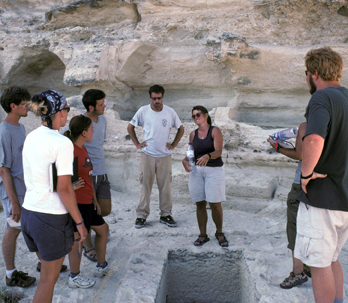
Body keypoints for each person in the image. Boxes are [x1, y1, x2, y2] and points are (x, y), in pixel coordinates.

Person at [21, 90, 87, 302]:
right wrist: (80, 222)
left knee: (47, 276)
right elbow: (64, 188)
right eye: (66, 109)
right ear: (59, 112)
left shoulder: (31, 136)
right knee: (48, 280)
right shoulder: (62, 142)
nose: (67, 113)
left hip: (29, 213)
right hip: (50, 218)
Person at [294, 47, 348, 303]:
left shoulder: (321, 98)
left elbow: (314, 140)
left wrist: (306, 174)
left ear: (314, 73)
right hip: (344, 198)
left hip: (323, 199)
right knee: (332, 258)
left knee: (319, 264)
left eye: (306, 73)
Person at [62, 89, 111, 262]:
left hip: (101, 171)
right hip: (84, 172)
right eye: (101, 104)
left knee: (104, 208)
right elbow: (65, 140)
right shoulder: (81, 123)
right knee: (86, 210)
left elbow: (100, 143)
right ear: (91, 107)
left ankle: (95, 232)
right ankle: (88, 244)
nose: (104, 106)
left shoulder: (103, 120)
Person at [127, 85, 184, 229]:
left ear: (163, 97)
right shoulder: (143, 111)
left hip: (164, 155)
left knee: (165, 186)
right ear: (150, 97)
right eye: (154, 98)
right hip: (147, 154)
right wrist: (137, 143)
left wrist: (174, 144)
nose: (157, 101)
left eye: (159, 98)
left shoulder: (170, 112)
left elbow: (181, 128)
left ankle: (166, 214)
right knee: (144, 185)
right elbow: (130, 127)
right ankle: (141, 216)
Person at [64, 115, 110, 288]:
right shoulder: (71, 151)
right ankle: (74, 277)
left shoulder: (82, 149)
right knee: (78, 239)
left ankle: (101, 266)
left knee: (103, 230)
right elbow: (60, 179)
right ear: (83, 132)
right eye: (91, 129)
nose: (93, 131)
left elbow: (88, 178)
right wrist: (71, 186)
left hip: (89, 202)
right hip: (78, 204)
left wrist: (95, 200)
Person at [0, 86, 36, 288]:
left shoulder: (20, 128)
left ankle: (43, 262)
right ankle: (10, 274)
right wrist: (13, 202)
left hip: (24, 187)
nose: (28, 107)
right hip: (11, 190)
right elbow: (3, 169)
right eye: (24, 104)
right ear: (13, 106)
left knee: (29, 225)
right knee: (12, 229)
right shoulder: (4, 131)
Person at [269, 122, 311, 288]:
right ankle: (311, 264)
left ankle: (298, 272)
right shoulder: (337, 124)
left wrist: (278, 147)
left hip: (302, 183)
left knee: (294, 227)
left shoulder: (307, 125)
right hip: (324, 185)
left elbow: (299, 154)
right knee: (313, 225)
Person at [182, 106, 228, 247]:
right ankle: (203, 234)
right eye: (194, 115)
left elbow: (218, 151)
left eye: (198, 114)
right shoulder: (193, 134)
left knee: (215, 203)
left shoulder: (215, 131)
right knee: (200, 203)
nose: (196, 117)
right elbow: (191, 153)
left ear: (206, 115)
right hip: (197, 171)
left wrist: (208, 156)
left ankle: (219, 233)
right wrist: (184, 160)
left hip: (213, 170)